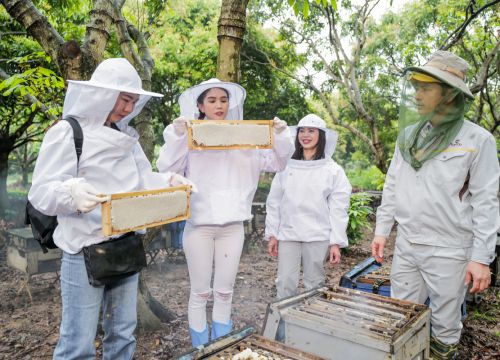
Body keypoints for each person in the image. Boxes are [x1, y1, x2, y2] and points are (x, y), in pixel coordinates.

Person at [28, 58, 193, 359]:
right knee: (77, 344)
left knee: (122, 335)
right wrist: (71, 191)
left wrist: (169, 181)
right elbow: (40, 191)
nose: (129, 109)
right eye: (124, 99)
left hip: (125, 246)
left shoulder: (127, 137)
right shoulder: (68, 132)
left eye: (134, 101)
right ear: (103, 93)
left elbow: (142, 182)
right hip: (84, 251)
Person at [371, 51, 499, 360]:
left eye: (425, 87)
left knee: (444, 324)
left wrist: (482, 258)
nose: (416, 94)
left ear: (449, 94)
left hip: (450, 249)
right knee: (401, 316)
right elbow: (393, 186)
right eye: (415, 86)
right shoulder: (409, 136)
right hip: (408, 245)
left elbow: (486, 200)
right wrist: (381, 231)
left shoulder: (478, 140)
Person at [156, 78, 294, 346]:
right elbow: (167, 168)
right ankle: (200, 348)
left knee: (224, 292)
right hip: (199, 227)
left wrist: (280, 136)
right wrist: (178, 136)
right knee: (200, 292)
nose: (219, 105)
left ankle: (221, 346)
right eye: (212, 100)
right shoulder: (192, 136)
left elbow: (278, 162)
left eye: (223, 100)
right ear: (200, 105)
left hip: (233, 227)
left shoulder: (245, 138)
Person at [265, 114, 351, 299]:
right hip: (288, 233)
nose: (306, 135)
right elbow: (274, 202)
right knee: (285, 281)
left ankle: (310, 324)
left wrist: (336, 242)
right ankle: (285, 326)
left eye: (311, 131)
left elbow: (339, 208)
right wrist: (273, 233)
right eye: (302, 131)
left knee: (315, 283)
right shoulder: (286, 167)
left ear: (321, 135)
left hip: (318, 234)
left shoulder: (333, 170)